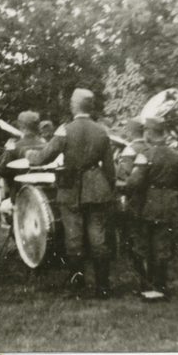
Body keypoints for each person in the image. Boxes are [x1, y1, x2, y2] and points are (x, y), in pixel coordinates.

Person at [26, 88, 116, 299]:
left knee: (73, 239)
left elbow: (44, 157)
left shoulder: (64, 130)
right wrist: (108, 189)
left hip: (71, 189)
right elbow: (110, 169)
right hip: (97, 188)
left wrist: (28, 153)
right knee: (98, 238)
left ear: (74, 106)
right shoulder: (102, 131)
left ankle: (78, 287)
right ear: (91, 107)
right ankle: (103, 287)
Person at [124, 118, 178, 301]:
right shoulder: (177, 155)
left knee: (147, 245)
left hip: (150, 205)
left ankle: (150, 287)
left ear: (149, 133)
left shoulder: (146, 155)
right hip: (170, 204)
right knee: (163, 245)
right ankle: (161, 285)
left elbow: (134, 182)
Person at [116, 117, 151, 292]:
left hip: (136, 201)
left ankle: (143, 283)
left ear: (130, 132)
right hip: (151, 200)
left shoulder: (130, 150)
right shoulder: (150, 147)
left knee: (137, 240)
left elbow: (124, 176)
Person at [0, 111, 46, 203]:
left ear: (22, 126)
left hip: (20, 194)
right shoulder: (46, 145)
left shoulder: (14, 146)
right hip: (43, 195)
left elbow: (2, 170)